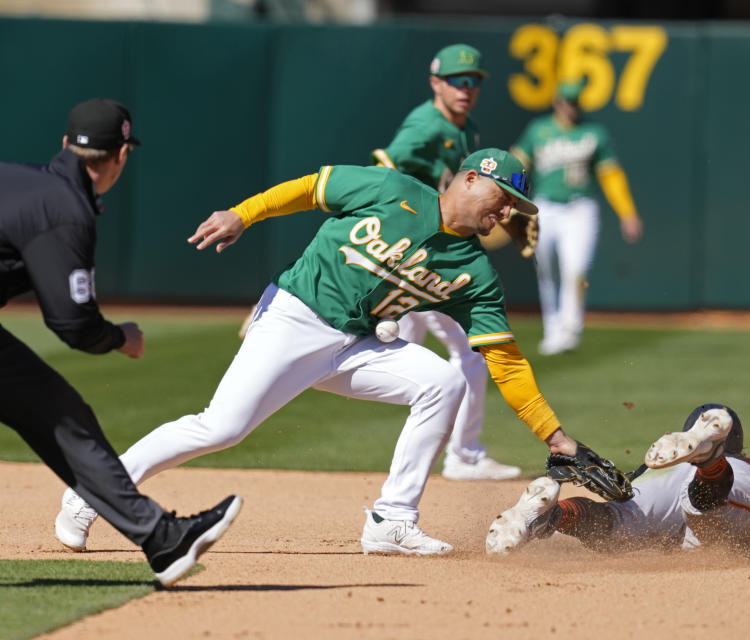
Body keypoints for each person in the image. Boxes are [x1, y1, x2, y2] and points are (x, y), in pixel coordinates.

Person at [56, 147, 615, 557]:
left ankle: (391, 520)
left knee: (443, 382)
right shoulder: (388, 188)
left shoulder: (475, 273)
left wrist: (557, 438)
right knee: (220, 428)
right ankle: (92, 494)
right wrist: (242, 214)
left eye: (517, 205)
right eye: (504, 197)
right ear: (471, 179)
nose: (508, 213)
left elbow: (507, 363)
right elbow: (305, 189)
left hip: (358, 345)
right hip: (295, 317)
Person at [1, 98, 241, 587]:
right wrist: (119, 337)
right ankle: (161, 537)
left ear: (67, 143)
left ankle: (162, 537)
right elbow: (71, 324)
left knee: (57, 411)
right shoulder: (64, 208)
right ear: (121, 156)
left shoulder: (24, 180)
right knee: (56, 412)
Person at [369, 43, 523, 481]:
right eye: (458, 80)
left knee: (409, 350)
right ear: (436, 82)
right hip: (418, 250)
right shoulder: (425, 124)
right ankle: (464, 455)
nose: (466, 88)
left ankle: (439, 457)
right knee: (470, 353)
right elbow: (381, 172)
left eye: (474, 81)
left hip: (432, 250)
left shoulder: (468, 128)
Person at [486, 403, 750, 555]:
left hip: (658, 476)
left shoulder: (659, 463)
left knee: (613, 526)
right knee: (711, 513)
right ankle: (710, 462)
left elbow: (618, 501)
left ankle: (552, 515)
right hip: (737, 481)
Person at [510, 80, 644, 356]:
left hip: (580, 207)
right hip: (545, 206)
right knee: (546, 268)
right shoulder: (539, 130)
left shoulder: (593, 133)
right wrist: (508, 198)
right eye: (566, 102)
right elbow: (517, 163)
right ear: (557, 102)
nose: (571, 107)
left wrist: (627, 212)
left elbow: (611, 175)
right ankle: (553, 330)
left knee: (576, 267)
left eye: (574, 102)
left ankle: (570, 329)